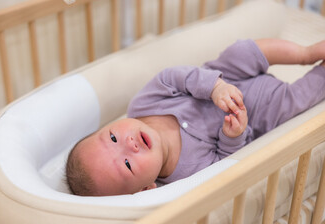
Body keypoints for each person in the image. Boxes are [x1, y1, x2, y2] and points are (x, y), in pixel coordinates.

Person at [66, 38, 325, 196]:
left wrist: (216, 88)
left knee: (243, 50)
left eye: (112, 137)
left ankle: (307, 53)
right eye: (127, 165)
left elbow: (173, 77)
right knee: (296, 103)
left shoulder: (142, 106)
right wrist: (232, 134)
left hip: (226, 75)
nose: (129, 145)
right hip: (258, 112)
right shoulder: (184, 176)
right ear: (146, 189)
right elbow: (224, 159)